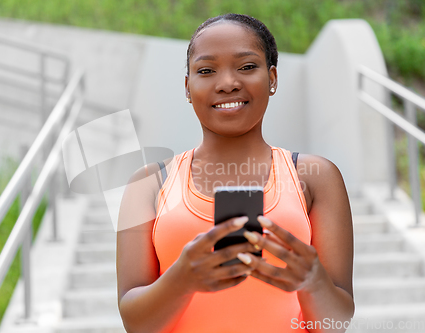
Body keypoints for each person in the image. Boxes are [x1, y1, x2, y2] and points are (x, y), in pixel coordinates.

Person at [116, 13, 354, 333]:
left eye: (246, 67)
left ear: (272, 78)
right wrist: (181, 279)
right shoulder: (148, 183)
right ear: (188, 87)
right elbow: (135, 325)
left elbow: (337, 323)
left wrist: (313, 283)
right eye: (206, 70)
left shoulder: (316, 177)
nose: (228, 83)